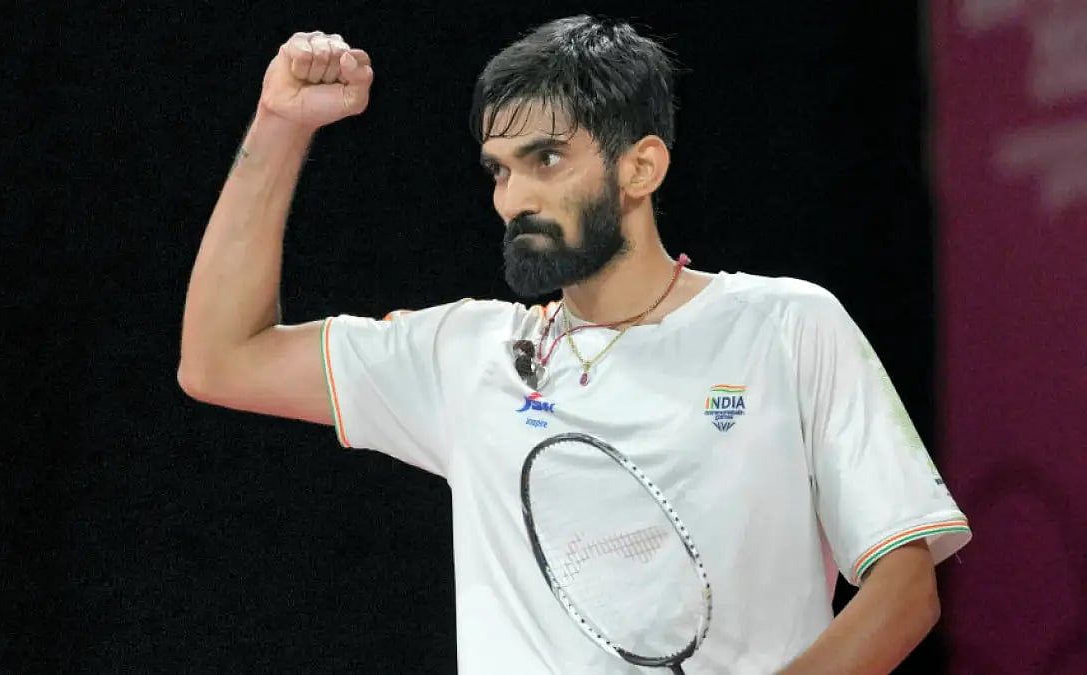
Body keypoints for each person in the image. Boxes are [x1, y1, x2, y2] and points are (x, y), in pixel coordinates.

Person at [178, 15, 971, 674]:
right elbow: (220, 358)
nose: (513, 198)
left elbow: (904, 590)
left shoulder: (787, 325)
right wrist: (280, 125)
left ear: (641, 167)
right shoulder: (463, 354)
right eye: (499, 171)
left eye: (546, 159)